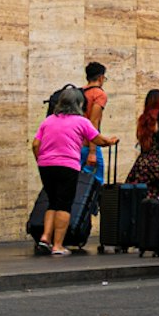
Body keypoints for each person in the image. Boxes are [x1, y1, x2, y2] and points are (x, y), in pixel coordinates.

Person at [32, 90, 95, 256]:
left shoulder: (48, 121)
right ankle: (58, 245)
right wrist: (110, 141)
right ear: (79, 104)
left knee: (52, 202)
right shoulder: (81, 121)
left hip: (46, 165)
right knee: (64, 204)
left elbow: (35, 144)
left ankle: (45, 238)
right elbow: (97, 138)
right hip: (68, 165)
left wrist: (40, 160)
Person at [67, 62, 115, 253]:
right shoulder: (99, 94)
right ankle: (98, 228)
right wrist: (94, 152)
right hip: (89, 147)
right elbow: (93, 123)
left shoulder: (79, 93)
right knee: (96, 187)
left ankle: (73, 227)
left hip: (75, 147)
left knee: (77, 188)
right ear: (101, 77)